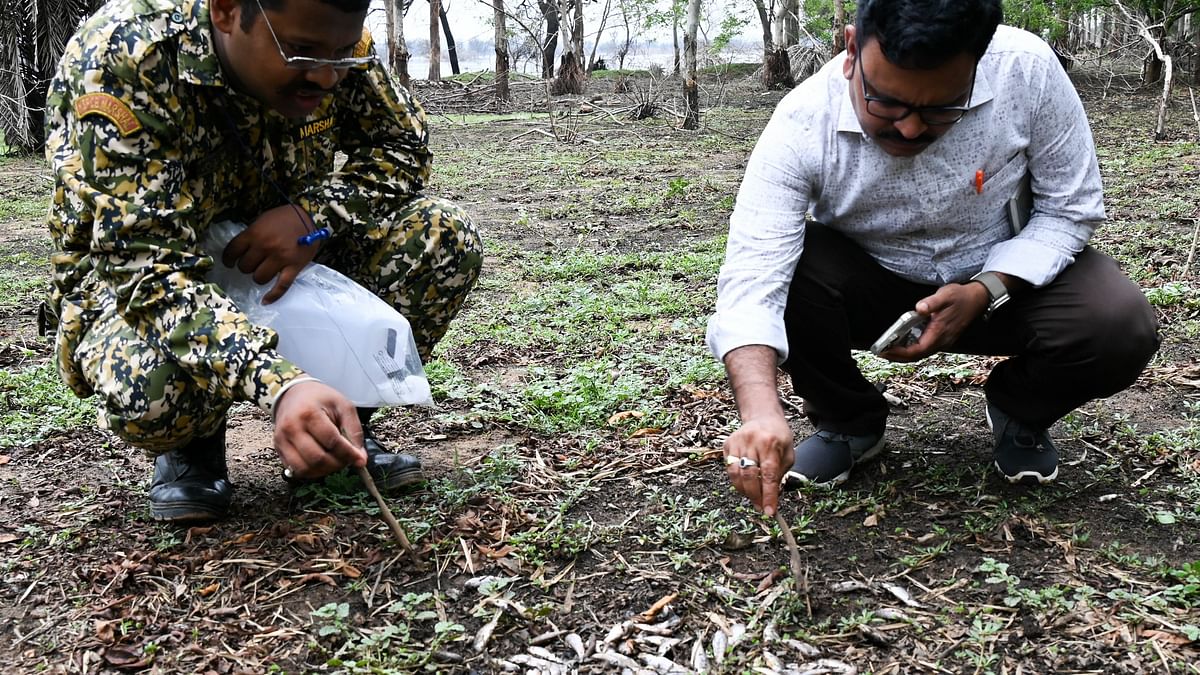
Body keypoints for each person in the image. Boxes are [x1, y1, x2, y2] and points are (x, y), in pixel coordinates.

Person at [706, 0, 1159, 517]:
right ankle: (847, 422)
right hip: (872, 288)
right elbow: (752, 274)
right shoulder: (801, 124)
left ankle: (1017, 409)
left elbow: (1070, 207)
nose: (911, 129)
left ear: (980, 60)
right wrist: (760, 410)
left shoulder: (1026, 70)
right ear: (851, 49)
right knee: (795, 267)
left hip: (1004, 287)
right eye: (888, 104)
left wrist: (986, 288)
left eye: (943, 108)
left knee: (1117, 323)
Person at [44, 0, 483, 523]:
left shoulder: (330, 36)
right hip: (151, 278)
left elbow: (403, 147)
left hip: (285, 260)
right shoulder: (126, 54)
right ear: (228, 11)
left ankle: (335, 436)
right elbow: (145, 268)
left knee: (440, 237)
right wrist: (280, 384)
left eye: (341, 54)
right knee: (151, 392)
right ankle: (193, 449)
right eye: (302, 52)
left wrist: (312, 218)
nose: (324, 75)